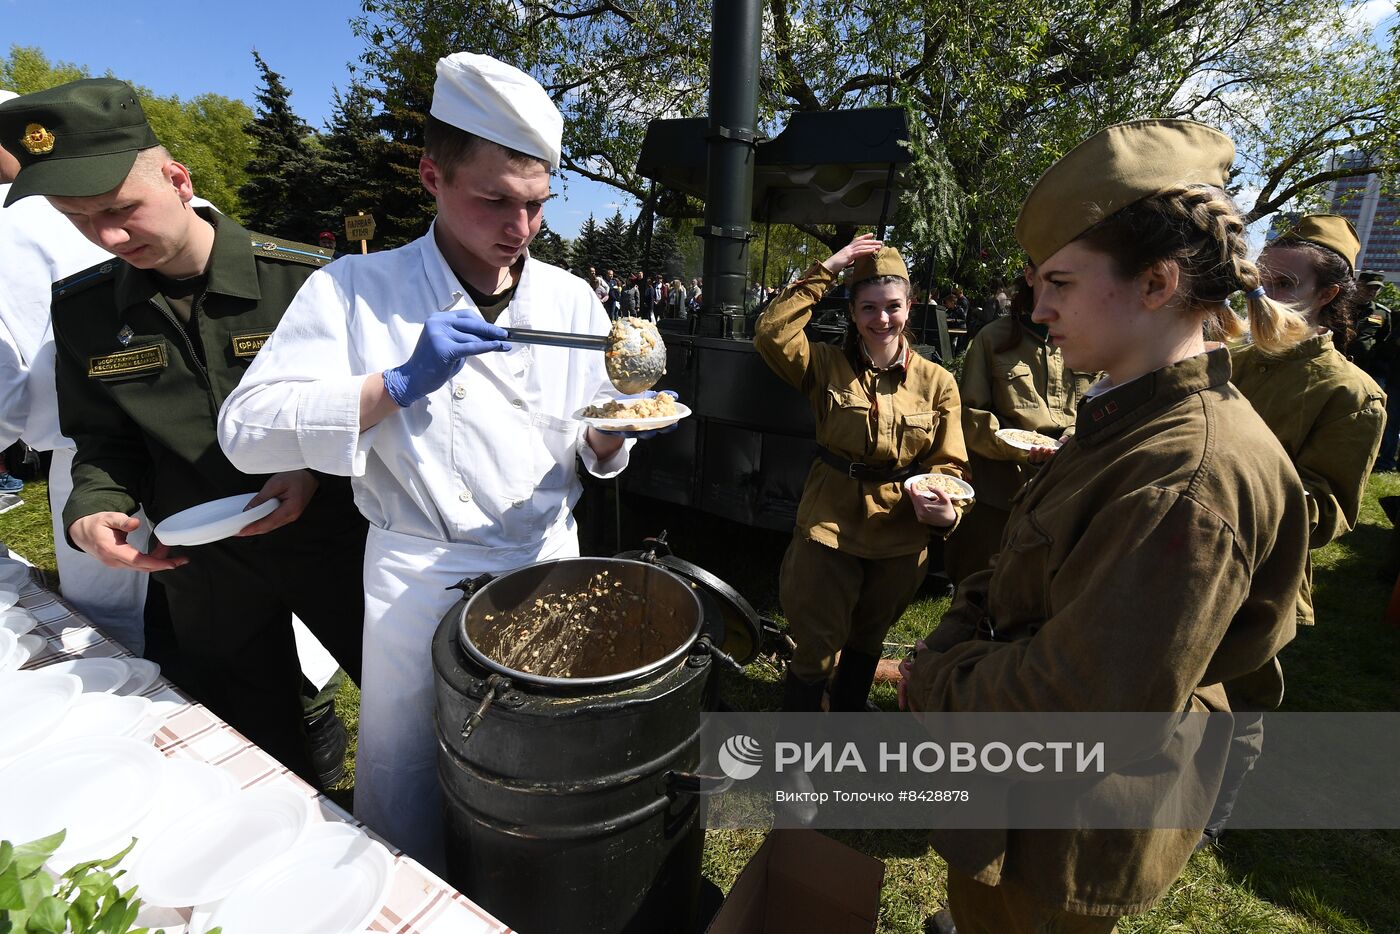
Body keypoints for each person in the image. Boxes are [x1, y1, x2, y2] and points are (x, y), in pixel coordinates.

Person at [217, 52, 665, 866]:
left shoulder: (570, 299)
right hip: (420, 582)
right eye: (494, 200)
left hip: (543, 568)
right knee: (408, 775)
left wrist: (607, 441)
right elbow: (245, 430)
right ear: (432, 175)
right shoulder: (356, 289)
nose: (519, 229)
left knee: (538, 774)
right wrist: (393, 384)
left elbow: (584, 440)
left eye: (536, 204)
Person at [901, 119, 1309, 934]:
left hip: (1058, 835)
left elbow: (1082, 711)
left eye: (1060, 282)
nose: (1038, 308)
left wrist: (931, 685)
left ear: (1156, 284)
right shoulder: (1119, 414)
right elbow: (1020, 558)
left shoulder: (1187, 477)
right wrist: (950, 639)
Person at [0, 79, 366, 789]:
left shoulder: (308, 282)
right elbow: (103, 439)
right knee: (251, 747)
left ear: (177, 178)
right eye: (79, 220)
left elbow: (372, 412)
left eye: (120, 209)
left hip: (337, 541)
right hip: (205, 566)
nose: (107, 237)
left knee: (406, 712)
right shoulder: (84, 313)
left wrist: (316, 467)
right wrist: (90, 509)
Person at [1203, 215, 1386, 845]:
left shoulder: (1349, 392)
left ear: (1329, 295)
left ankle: (1214, 812)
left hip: (1261, 573)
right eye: (1261, 276)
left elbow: (1330, 507)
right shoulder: (1234, 357)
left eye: (1283, 281)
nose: (1265, 292)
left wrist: (1226, 489)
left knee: (1242, 694)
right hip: (1183, 547)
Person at [755, 235, 969, 713]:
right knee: (815, 642)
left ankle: (847, 716)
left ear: (909, 307)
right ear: (852, 312)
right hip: (830, 522)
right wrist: (826, 269)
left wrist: (943, 511)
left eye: (892, 306)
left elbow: (949, 464)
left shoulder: (938, 382)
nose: (882, 319)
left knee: (870, 636)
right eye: (868, 308)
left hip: (899, 529)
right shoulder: (825, 365)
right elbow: (771, 334)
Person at [0, 87, 152, 648]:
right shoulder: (135, 181)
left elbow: (5, 394)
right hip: (194, 433)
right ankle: (309, 721)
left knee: (109, 623)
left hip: (83, 454)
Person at [943, 271, 1091, 586]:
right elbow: (970, 416)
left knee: (1039, 593)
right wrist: (1017, 445)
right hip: (999, 493)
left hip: (1063, 491)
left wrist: (1072, 437)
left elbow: (1098, 404)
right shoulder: (993, 338)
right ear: (1029, 275)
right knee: (978, 587)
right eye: (1050, 275)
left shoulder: (1089, 339)